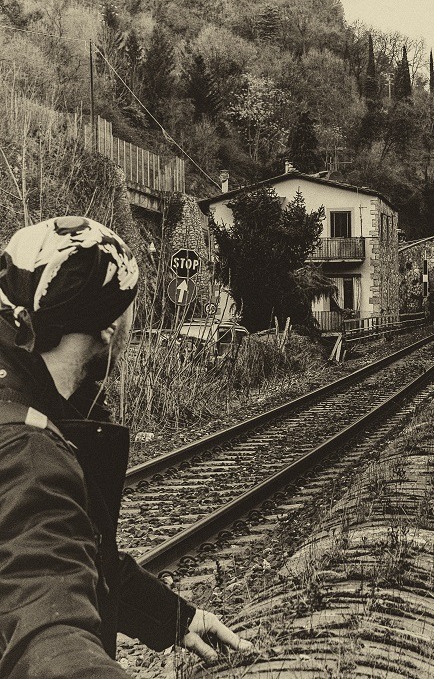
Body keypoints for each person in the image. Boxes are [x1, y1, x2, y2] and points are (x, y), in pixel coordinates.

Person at [0, 217, 251, 678]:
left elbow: (73, 557)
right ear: (110, 327)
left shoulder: (25, 404)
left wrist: (175, 617)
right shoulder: (30, 453)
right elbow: (47, 628)